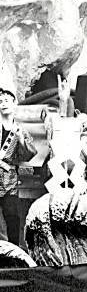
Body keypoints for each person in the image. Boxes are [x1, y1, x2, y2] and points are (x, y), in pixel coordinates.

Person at [0, 87, 37, 245]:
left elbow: (28, 154)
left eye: (7, 100)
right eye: (0, 101)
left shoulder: (20, 130)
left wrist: (20, 137)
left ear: (14, 104)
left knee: (12, 218)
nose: (3, 104)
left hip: (9, 179)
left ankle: (15, 252)